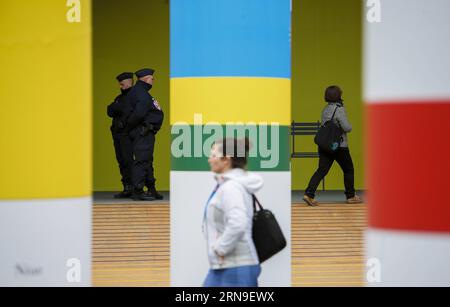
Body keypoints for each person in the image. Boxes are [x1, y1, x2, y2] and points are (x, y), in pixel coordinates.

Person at [203, 138, 263, 287]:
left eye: (213, 155)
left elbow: (238, 223)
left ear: (226, 159)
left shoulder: (231, 188)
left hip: (236, 267)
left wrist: (219, 249)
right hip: (228, 266)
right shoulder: (228, 185)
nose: (209, 159)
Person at [303, 86, 362, 206]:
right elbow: (347, 127)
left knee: (322, 170)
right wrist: (350, 125)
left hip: (325, 145)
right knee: (348, 169)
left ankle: (309, 194)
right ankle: (351, 196)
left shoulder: (325, 109)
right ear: (338, 95)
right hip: (339, 146)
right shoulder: (339, 109)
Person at [127, 68, 164, 201]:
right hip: (143, 132)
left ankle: (151, 188)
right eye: (152, 78)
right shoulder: (141, 94)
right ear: (147, 79)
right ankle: (138, 190)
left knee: (146, 160)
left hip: (144, 131)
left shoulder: (139, 92)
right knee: (142, 160)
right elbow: (139, 113)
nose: (153, 81)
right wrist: (141, 127)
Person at [107, 72, 135, 198]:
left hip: (127, 134)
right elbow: (109, 110)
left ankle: (134, 187)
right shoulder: (119, 98)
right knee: (122, 161)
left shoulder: (133, 96)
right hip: (117, 134)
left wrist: (117, 107)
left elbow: (123, 109)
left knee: (128, 161)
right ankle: (127, 187)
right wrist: (117, 107)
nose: (120, 86)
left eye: (122, 83)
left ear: (129, 82)